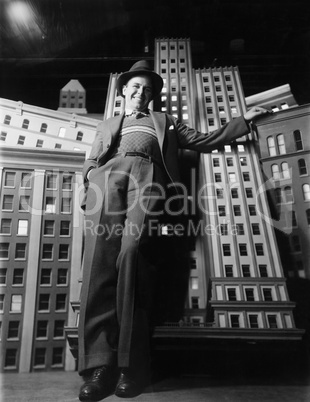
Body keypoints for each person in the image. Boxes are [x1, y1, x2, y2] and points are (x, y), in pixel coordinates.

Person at [78, 60, 269, 401]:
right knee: (99, 265)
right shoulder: (108, 124)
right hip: (108, 180)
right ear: (124, 91)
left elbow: (205, 139)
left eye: (147, 90)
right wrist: (92, 177)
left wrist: (244, 120)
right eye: (135, 87)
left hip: (148, 179)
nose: (141, 93)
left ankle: (128, 366)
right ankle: (98, 366)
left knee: (132, 254)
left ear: (152, 96)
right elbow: (93, 158)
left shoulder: (165, 122)